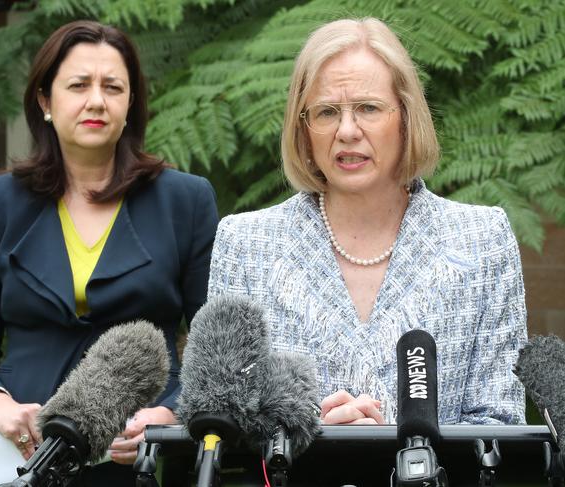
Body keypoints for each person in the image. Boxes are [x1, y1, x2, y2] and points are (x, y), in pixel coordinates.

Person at [208, 18, 526, 426]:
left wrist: (398, 451)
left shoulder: (481, 240)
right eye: (326, 112)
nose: (346, 130)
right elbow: (220, 427)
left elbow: (500, 425)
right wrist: (311, 440)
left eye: (368, 108)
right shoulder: (246, 245)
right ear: (303, 130)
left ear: (406, 118)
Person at [0, 20, 218, 484]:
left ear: (130, 104)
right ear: (45, 101)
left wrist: (171, 415)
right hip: (23, 459)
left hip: (146, 461)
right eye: (78, 85)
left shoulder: (184, 201)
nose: (96, 100)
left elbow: (217, 350)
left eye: (113, 87)